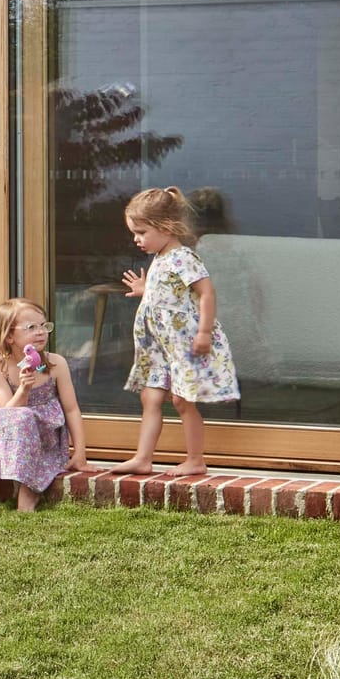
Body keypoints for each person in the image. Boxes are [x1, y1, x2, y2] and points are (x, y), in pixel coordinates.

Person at [113, 184, 239, 479]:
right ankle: (143, 458)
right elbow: (170, 295)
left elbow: (206, 293)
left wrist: (204, 332)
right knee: (150, 397)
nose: (136, 239)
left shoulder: (183, 257)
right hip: (161, 347)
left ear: (166, 227)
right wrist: (146, 290)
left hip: (184, 345)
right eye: (134, 233)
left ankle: (195, 460)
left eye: (141, 232)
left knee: (183, 401)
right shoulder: (160, 257)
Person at [0, 296, 89, 513]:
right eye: (31, 327)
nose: (41, 332)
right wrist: (24, 389)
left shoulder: (56, 364)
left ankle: (29, 491)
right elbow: (8, 411)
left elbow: (71, 409)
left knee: (22, 417)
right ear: (9, 336)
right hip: (8, 430)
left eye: (43, 325)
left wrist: (79, 452)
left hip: (45, 436)